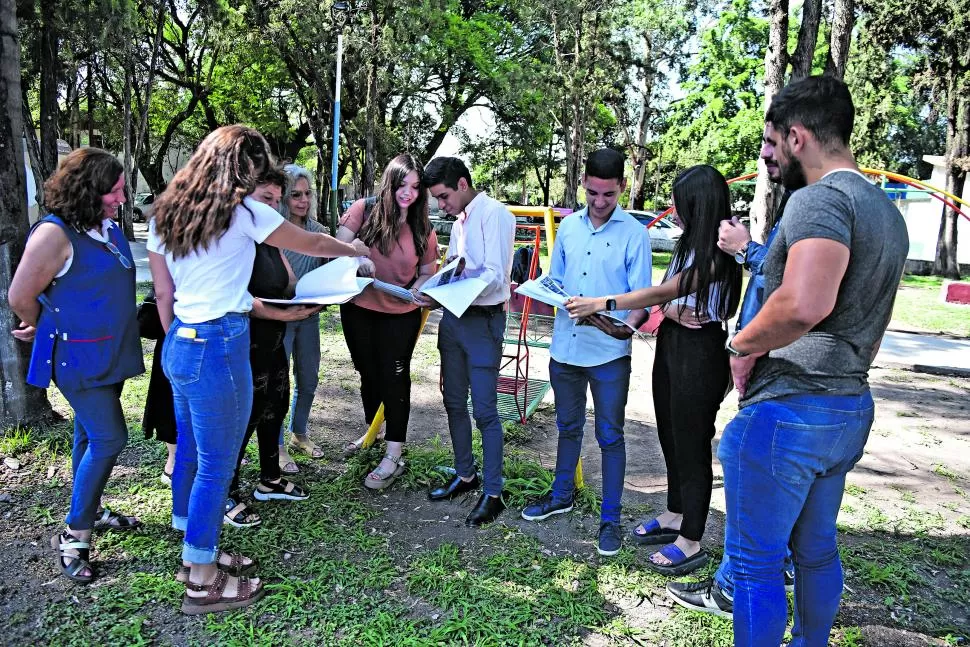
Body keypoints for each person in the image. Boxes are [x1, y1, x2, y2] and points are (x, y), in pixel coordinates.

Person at [718, 77, 908, 645]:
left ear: (797, 136)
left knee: (755, 565)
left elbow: (803, 304)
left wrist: (741, 344)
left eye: (772, 141)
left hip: (789, 410)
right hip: (848, 405)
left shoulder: (820, 199)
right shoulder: (884, 210)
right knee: (817, 551)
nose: (769, 154)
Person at [148, 124, 368, 614]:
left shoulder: (167, 211)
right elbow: (309, 243)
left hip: (180, 342)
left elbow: (165, 294)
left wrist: (182, 339)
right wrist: (351, 248)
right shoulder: (245, 212)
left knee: (189, 452)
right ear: (243, 167)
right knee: (216, 465)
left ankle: (193, 553)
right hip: (220, 344)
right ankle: (202, 580)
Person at [665, 165, 800, 616]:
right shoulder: (690, 244)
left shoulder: (722, 250)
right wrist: (667, 309)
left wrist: (642, 305)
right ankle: (674, 513)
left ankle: (691, 538)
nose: (676, 215)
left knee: (694, 441)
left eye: (683, 207)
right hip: (673, 343)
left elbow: (691, 302)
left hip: (701, 352)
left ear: (699, 208)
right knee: (670, 432)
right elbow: (671, 302)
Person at [9, 148, 145, 583]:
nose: (122, 198)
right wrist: (46, 323)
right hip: (78, 356)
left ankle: (92, 507)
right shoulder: (54, 234)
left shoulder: (106, 228)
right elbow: (19, 297)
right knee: (110, 437)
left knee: (88, 435)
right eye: (115, 190)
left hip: (111, 351)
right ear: (88, 189)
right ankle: (74, 534)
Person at [519, 148, 652, 557]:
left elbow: (641, 299)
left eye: (608, 195)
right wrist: (546, 291)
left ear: (622, 187)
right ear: (583, 184)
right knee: (567, 427)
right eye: (592, 193)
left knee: (610, 435)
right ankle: (562, 494)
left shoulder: (635, 234)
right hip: (566, 348)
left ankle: (610, 518)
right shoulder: (570, 227)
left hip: (609, 354)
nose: (598, 203)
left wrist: (611, 317)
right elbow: (555, 280)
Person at [421, 157, 516, 526]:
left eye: (443, 197)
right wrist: (440, 286)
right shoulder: (461, 220)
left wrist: (459, 284)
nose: (441, 206)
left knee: (486, 412)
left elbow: (495, 277)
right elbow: (460, 265)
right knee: (453, 401)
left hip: (483, 321)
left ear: (462, 184)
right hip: (454, 318)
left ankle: (493, 491)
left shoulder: (495, 214)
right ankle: (465, 474)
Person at [335, 154, 439, 489]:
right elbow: (338, 244)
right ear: (389, 182)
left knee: (395, 377)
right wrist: (356, 251)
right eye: (402, 185)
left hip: (401, 312)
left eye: (415, 187)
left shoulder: (423, 224)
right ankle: (373, 430)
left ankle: (394, 453)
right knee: (367, 371)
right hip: (359, 306)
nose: (408, 193)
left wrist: (418, 290)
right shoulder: (363, 209)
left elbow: (427, 271)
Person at [224, 167, 319, 528]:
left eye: (277, 201)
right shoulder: (234, 236)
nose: (274, 207)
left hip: (275, 335)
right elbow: (240, 297)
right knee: (243, 417)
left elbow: (290, 281)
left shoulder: (271, 239)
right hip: (245, 339)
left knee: (275, 405)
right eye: (268, 199)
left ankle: (269, 479)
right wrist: (285, 311)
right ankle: (227, 492)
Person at [277, 164, 328, 474]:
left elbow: (328, 275)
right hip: (279, 317)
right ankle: (278, 445)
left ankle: (299, 434)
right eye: (295, 194)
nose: (303, 200)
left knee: (308, 379)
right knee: (278, 383)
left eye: (307, 194)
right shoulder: (274, 232)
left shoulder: (319, 232)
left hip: (309, 317)